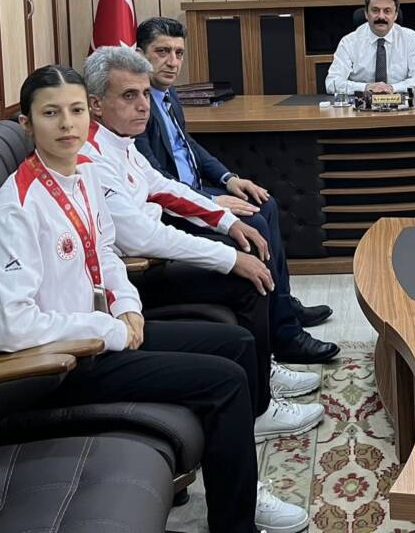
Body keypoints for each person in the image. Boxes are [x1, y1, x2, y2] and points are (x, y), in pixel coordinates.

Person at [0, 65, 310, 533]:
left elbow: (107, 253)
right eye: (51, 114)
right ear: (26, 124)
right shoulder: (17, 208)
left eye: (74, 111)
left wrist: (128, 308)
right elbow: (13, 326)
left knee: (237, 344)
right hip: (59, 362)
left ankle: (241, 480)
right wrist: (111, 329)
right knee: (226, 382)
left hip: (104, 332)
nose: (67, 124)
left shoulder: (82, 174)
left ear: (88, 114)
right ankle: (236, 523)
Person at [82, 46, 329, 440]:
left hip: (148, 259)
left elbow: (165, 188)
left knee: (249, 246)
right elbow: (141, 236)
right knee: (246, 277)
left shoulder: (120, 142)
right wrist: (228, 258)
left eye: (144, 93)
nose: (144, 105)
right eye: (129, 95)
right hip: (129, 278)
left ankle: (260, 369)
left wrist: (227, 221)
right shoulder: (91, 156)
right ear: (96, 104)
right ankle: (258, 409)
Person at [133, 17, 341, 365]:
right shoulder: (137, 106)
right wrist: (211, 201)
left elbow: (188, 146)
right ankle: (285, 335)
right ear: (140, 55)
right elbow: (153, 177)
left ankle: (283, 304)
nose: (172, 62)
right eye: (162, 52)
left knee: (264, 203)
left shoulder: (168, 95)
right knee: (254, 223)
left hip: (195, 190)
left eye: (179, 53)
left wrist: (229, 178)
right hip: (171, 208)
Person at [325, 0, 415, 95]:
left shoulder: (410, 39)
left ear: (395, 15)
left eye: (387, 11)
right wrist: (367, 87)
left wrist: (392, 88)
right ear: (366, 14)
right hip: (362, 103)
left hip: (400, 101)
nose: (381, 16)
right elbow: (332, 82)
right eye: (375, 10)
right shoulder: (349, 42)